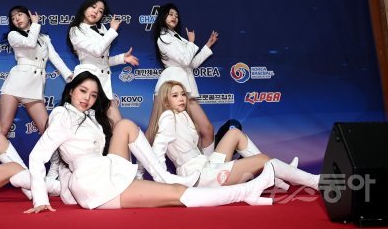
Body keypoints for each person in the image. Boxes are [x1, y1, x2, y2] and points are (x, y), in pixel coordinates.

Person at [25, 71, 277, 213]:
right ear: (70, 90)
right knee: (176, 195)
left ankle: (163, 176)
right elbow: (37, 157)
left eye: (93, 95)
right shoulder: (62, 115)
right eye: (82, 91)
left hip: (105, 170)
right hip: (95, 184)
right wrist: (41, 199)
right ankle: (245, 192)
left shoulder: (88, 116)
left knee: (125, 125)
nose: (87, 98)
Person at [145, 81, 319, 192]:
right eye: (175, 96)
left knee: (234, 133)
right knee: (262, 159)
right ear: (166, 101)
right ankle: (312, 181)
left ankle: (278, 175)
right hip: (198, 177)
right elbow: (157, 152)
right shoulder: (168, 117)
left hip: (205, 166)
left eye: (183, 94)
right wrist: (165, 184)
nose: (182, 98)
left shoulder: (182, 114)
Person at [0, 5, 73, 180]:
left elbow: (55, 58)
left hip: (34, 86)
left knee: (47, 129)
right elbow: (30, 43)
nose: (17, 19)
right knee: (3, 128)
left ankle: (56, 165)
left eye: (20, 15)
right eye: (13, 18)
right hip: (15, 83)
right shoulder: (13, 35)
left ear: (28, 15)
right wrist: (35, 25)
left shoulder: (44, 38)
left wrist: (69, 76)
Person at [151, 3, 217, 156]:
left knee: (205, 130)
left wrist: (208, 45)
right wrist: (191, 42)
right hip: (171, 91)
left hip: (186, 89)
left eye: (176, 15)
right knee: (155, 133)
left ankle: (208, 166)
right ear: (163, 16)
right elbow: (185, 60)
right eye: (170, 14)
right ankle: (141, 168)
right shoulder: (163, 38)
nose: (174, 17)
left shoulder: (179, 38)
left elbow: (191, 64)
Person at [67, 0, 139, 123]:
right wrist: (112, 30)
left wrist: (122, 58)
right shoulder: (75, 30)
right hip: (87, 82)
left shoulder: (103, 29)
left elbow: (102, 60)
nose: (96, 12)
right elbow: (97, 50)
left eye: (100, 11)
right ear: (85, 7)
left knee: (118, 124)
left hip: (104, 83)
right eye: (93, 7)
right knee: (82, 124)